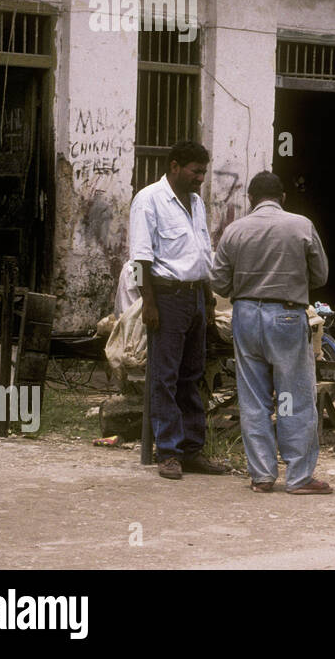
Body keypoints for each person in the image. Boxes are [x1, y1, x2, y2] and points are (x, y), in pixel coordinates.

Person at [211, 171, 331, 494]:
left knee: (253, 399)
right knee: (293, 396)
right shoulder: (301, 225)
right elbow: (320, 275)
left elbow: (219, 283)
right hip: (287, 316)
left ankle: (262, 476)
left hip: (246, 316)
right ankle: (298, 476)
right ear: (283, 198)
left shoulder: (234, 231)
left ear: (250, 199)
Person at [128, 139, 228, 481]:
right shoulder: (148, 201)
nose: (200, 177)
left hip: (196, 298)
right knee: (165, 377)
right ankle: (167, 452)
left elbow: (202, 253)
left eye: (203, 171)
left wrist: (209, 299)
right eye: (195, 171)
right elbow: (141, 259)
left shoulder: (197, 203)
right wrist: (149, 304)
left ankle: (191, 451)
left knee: (192, 375)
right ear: (174, 166)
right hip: (167, 298)